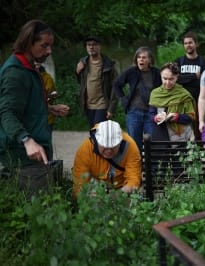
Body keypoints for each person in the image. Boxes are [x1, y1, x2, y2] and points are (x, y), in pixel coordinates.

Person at [0, 20, 68, 196]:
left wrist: (49, 108)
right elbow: (6, 112)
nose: (49, 51)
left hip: (36, 154)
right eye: (44, 45)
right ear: (28, 42)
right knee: (37, 214)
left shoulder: (30, 68)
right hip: (23, 158)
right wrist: (26, 140)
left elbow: (25, 103)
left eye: (50, 46)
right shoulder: (15, 73)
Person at [72, 120, 142, 198]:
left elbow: (133, 180)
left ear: (120, 141)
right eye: (104, 146)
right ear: (97, 140)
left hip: (122, 191)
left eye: (113, 146)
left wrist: (119, 195)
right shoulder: (85, 149)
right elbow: (79, 184)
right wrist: (88, 195)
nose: (109, 150)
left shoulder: (130, 146)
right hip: (96, 191)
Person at [113, 46, 161, 152]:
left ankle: (151, 168)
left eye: (144, 57)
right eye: (139, 57)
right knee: (134, 145)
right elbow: (117, 85)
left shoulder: (157, 73)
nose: (141, 60)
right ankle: (136, 168)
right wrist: (123, 99)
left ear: (150, 60)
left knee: (153, 144)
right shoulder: (131, 72)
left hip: (151, 113)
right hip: (134, 113)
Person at [76, 35, 118, 128]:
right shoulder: (83, 62)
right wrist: (77, 72)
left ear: (99, 46)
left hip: (102, 104)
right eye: (88, 45)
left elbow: (115, 88)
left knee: (98, 132)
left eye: (94, 44)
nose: (91, 47)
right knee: (93, 132)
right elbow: (81, 83)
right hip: (88, 105)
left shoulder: (109, 64)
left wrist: (111, 109)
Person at [175, 31, 205, 140]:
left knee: (198, 131)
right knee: (180, 131)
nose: (188, 45)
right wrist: (194, 76)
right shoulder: (179, 61)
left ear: (196, 44)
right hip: (181, 101)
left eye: (190, 43)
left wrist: (183, 78)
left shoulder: (203, 62)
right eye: (185, 43)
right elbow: (175, 79)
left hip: (198, 101)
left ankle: (198, 154)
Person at [149, 62, 196, 142]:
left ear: (177, 77)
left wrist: (178, 117)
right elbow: (151, 114)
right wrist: (156, 118)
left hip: (180, 136)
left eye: (171, 79)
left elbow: (191, 117)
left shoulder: (184, 94)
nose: (167, 82)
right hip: (160, 135)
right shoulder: (155, 94)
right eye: (165, 78)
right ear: (160, 76)